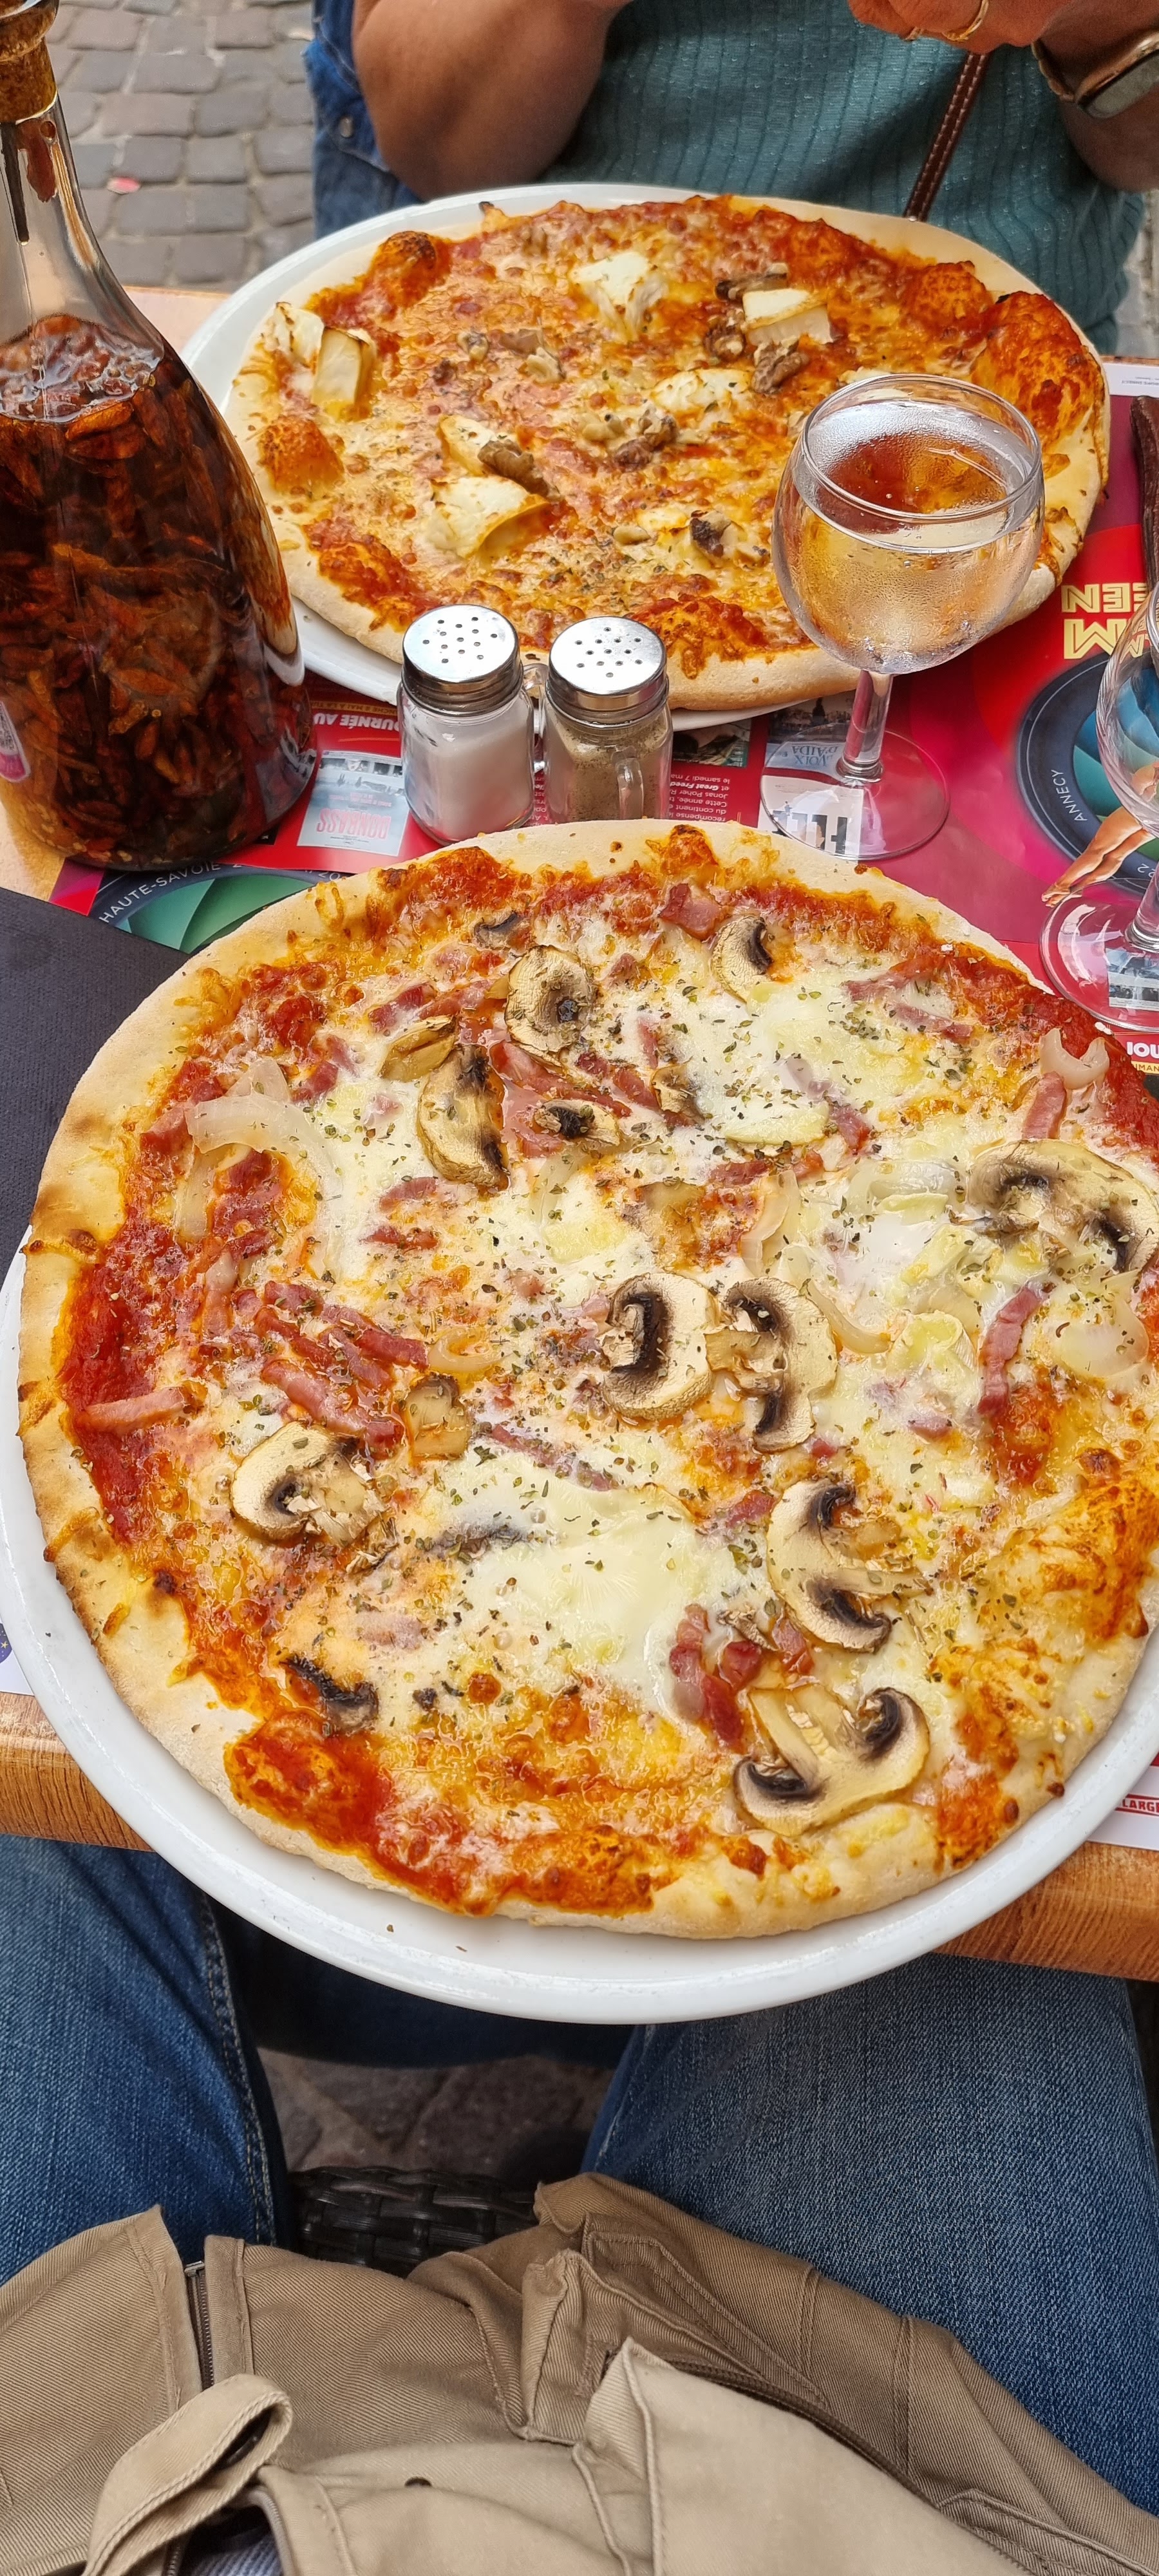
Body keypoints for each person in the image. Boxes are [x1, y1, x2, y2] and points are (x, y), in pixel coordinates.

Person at [5, 1833, 1159, 2571]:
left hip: (70, 2483)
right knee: (961, 1880)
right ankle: (639, 2089)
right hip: (898, 2500)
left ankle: (618, 2076)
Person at [305, 0, 1159, 354]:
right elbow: (433, 146)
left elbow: (1141, 154)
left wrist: (1105, 16)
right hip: (548, 351)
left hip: (993, 358)